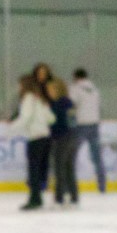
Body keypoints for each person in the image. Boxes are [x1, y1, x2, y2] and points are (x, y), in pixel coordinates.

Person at [10, 72, 53, 211]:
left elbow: (25, 118)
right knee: (38, 171)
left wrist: (11, 130)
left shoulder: (28, 98)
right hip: (45, 137)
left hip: (35, 138)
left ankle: (34, 199)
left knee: (33, 171)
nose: (18, 87)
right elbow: (51, 118)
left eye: (19, 84)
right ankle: (37, 198)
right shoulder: (39, 98)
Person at [68, 69, 106, 194]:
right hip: (94, 123)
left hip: (81, 124)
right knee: (97, 156)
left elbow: (71, 104)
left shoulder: (75, 88)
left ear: (75, 77)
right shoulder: (94, 89)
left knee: (72, 155)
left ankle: (70, 185)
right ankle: (102, 185)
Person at [45, 77, 78, 207]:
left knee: (61, 168)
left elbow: (66, 121)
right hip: (69, 137)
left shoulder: (62, 103)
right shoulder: (65, 102)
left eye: (51, 89)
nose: (49, 92)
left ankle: (60, 197)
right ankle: (73, 196)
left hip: (63, 138)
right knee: (68, 168)